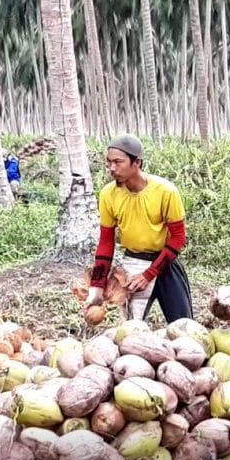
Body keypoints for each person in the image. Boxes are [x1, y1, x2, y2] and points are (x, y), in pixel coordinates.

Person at [83, 134, 194, 323]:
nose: (112, 168)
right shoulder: (108, 195)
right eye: (109, 162)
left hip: (165, 263)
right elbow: (106, 242)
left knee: (185, 327)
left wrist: (149, 274)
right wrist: (97, 287)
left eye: (118, 162)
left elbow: (178, 237)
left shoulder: (165, 191)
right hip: (132, 264)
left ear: (137, 163)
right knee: (129, 330)